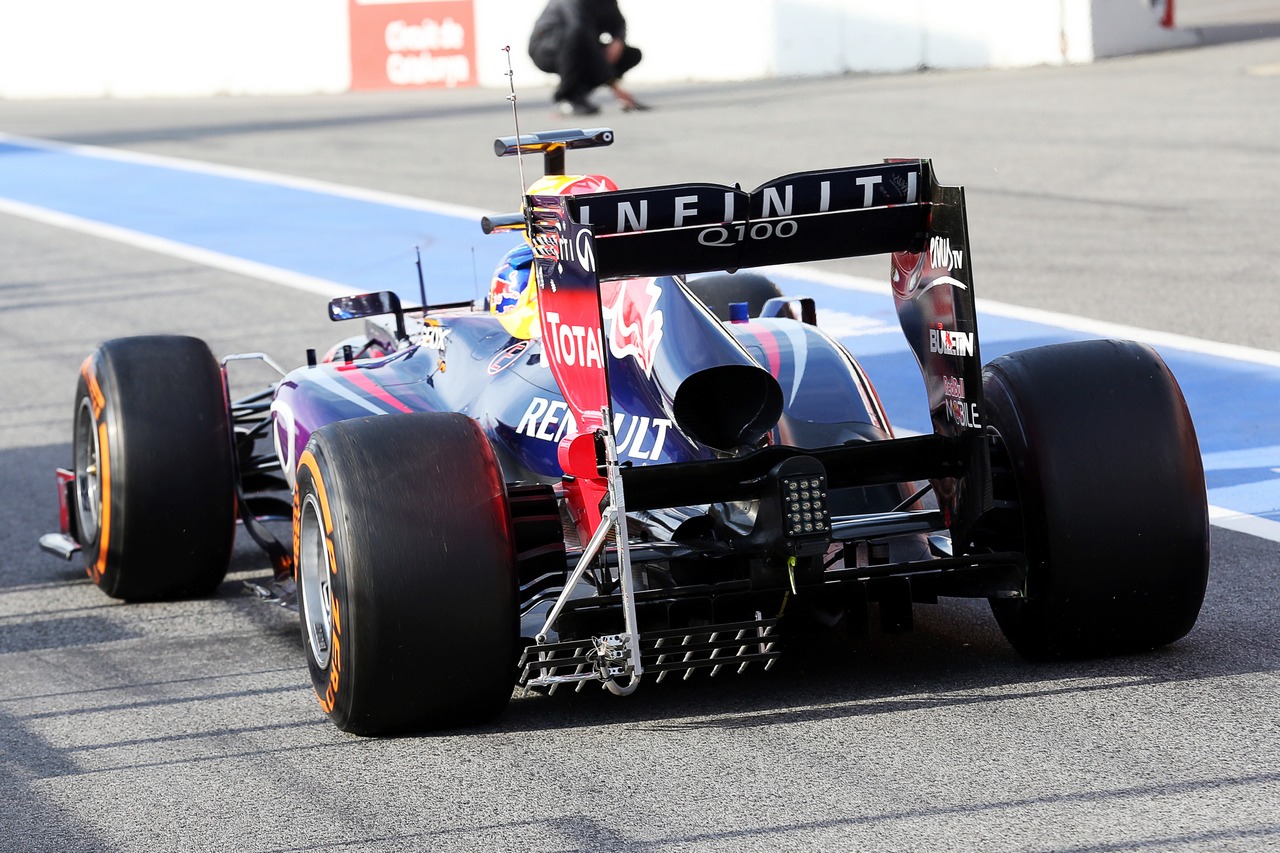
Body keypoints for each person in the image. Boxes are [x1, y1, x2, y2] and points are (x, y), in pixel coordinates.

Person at [528, 0, 646, 116]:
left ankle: (579, 94)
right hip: (547, 50)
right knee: (577, 35)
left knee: (631, 55)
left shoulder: (607, 2)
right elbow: (581, 33)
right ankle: (566, 98)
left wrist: (618, 40)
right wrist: (613, 85)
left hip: (582, 45)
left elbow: (618, 23)